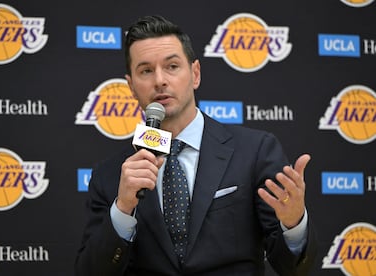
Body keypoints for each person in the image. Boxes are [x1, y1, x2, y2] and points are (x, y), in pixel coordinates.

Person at [75, 15, 317, 276]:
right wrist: (123, 208)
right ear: (131, 87)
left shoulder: (255, 151)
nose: (159, 80)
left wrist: (293, 224)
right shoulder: (110, 175)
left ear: (195, 74)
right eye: (146, 71)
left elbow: (294, 269)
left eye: (172, 66)